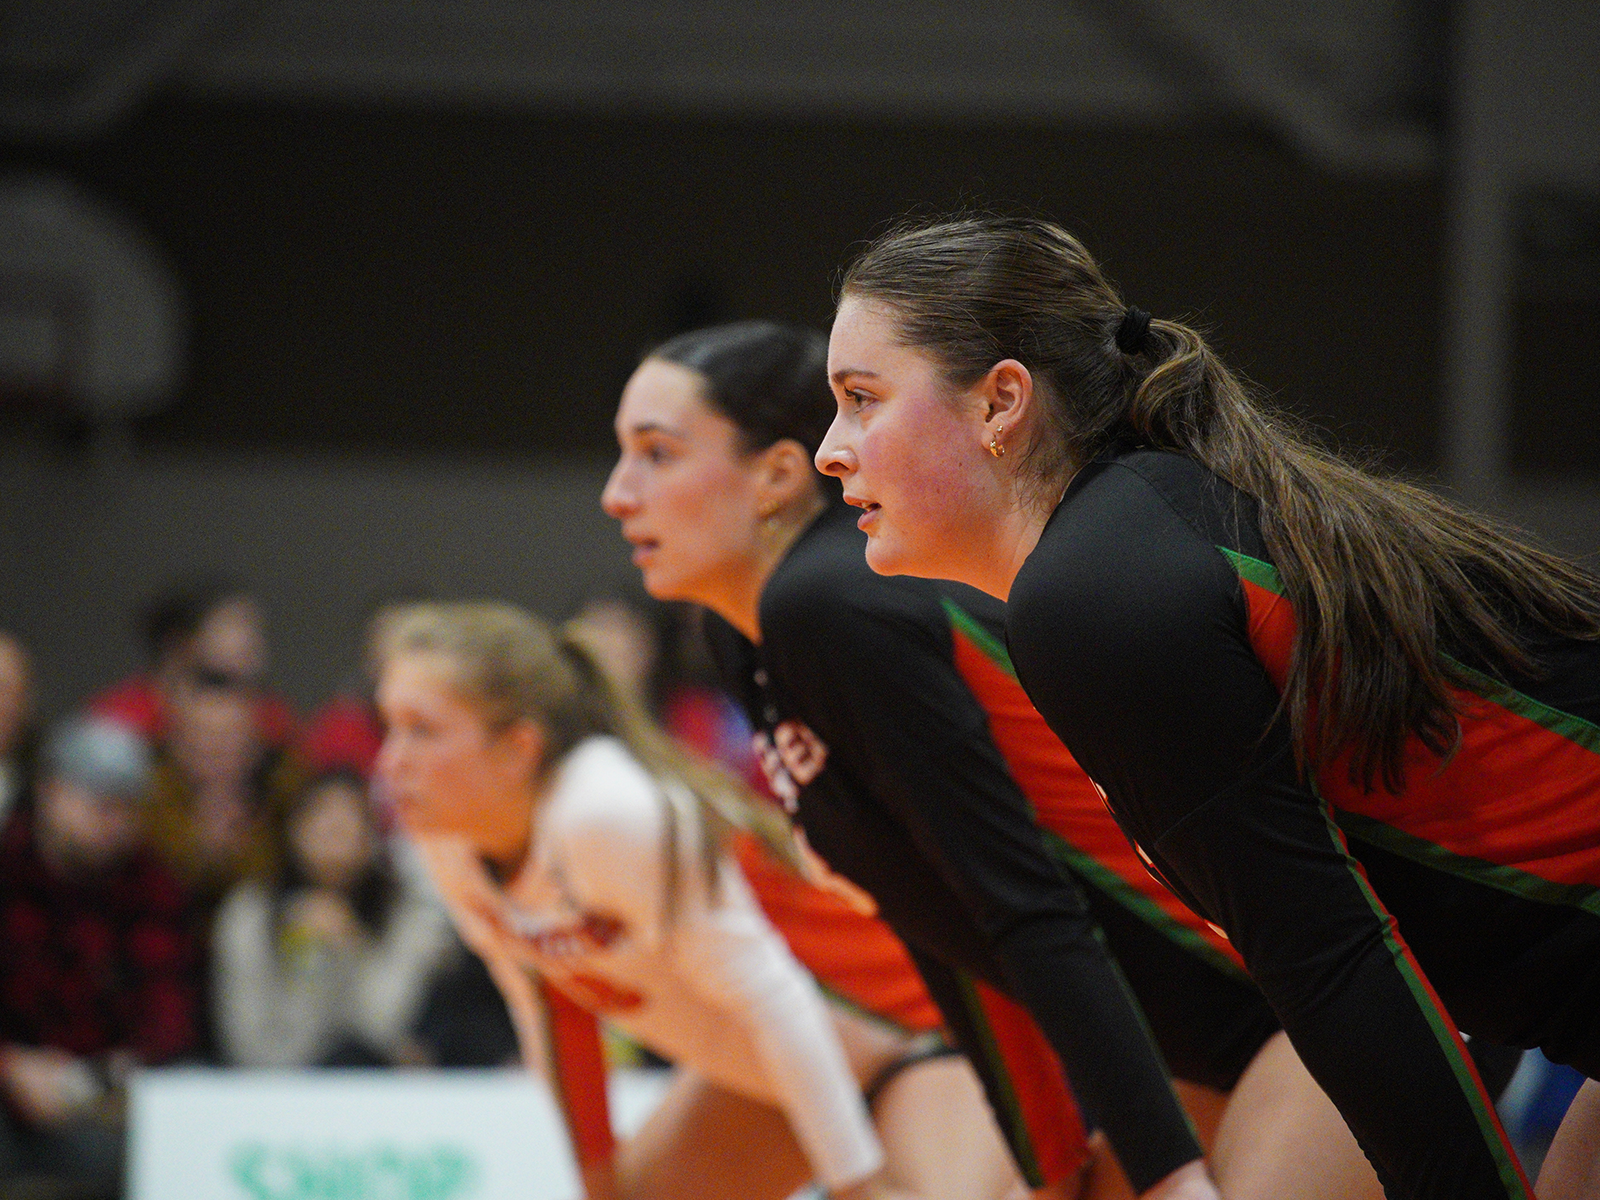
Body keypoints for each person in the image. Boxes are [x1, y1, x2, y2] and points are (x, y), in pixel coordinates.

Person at [813, 212, 1600, 1200]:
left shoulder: (1097, 593)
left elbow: (1331, 956)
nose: (830, 450)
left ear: (1001, 402)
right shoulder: (1132, 535)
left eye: (861, 399)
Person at [601, 320, 1388, 1200]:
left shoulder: (825, 605)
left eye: (657, 454)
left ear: (777, 476)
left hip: (1311, 995)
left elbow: (1029, 908)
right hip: (1195, 1051)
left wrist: (1164, 1177)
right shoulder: (746, 637)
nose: (617, 494)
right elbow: (953, 936)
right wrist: (1052, 1167)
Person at [374, 601, 1066, 1200]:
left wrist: (854, 1185)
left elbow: (773, 1000)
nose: (390, 762)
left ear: (518, 747)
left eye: (421, 730)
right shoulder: (449, 840)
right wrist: (597, 1184)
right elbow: (554, 1011)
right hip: (774, 1075)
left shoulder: (602, 812)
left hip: (926, 1036)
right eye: (388, 726)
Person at [0, 717, 199, 1199]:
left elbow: (172, 1009)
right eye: (99, 802)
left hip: (110, 1100)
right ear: (49, 790)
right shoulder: (9, 873)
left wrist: (124, 1075)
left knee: (163, 1145)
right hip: (11, 1093)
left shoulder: (153, 887)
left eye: (127, 806)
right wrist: (9, 1065)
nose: (113, 821)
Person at [210, 765, 455, 1068]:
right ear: (293, 828)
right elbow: (250, 1046)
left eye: (350, 819)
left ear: (373, 838)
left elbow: (382, 1027)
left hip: (370, 1084)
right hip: (274, 1084)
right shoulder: (251, 913)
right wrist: (309, 952)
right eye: (321, 816)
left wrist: (351, 946)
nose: (335, 831)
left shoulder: (406, 914)